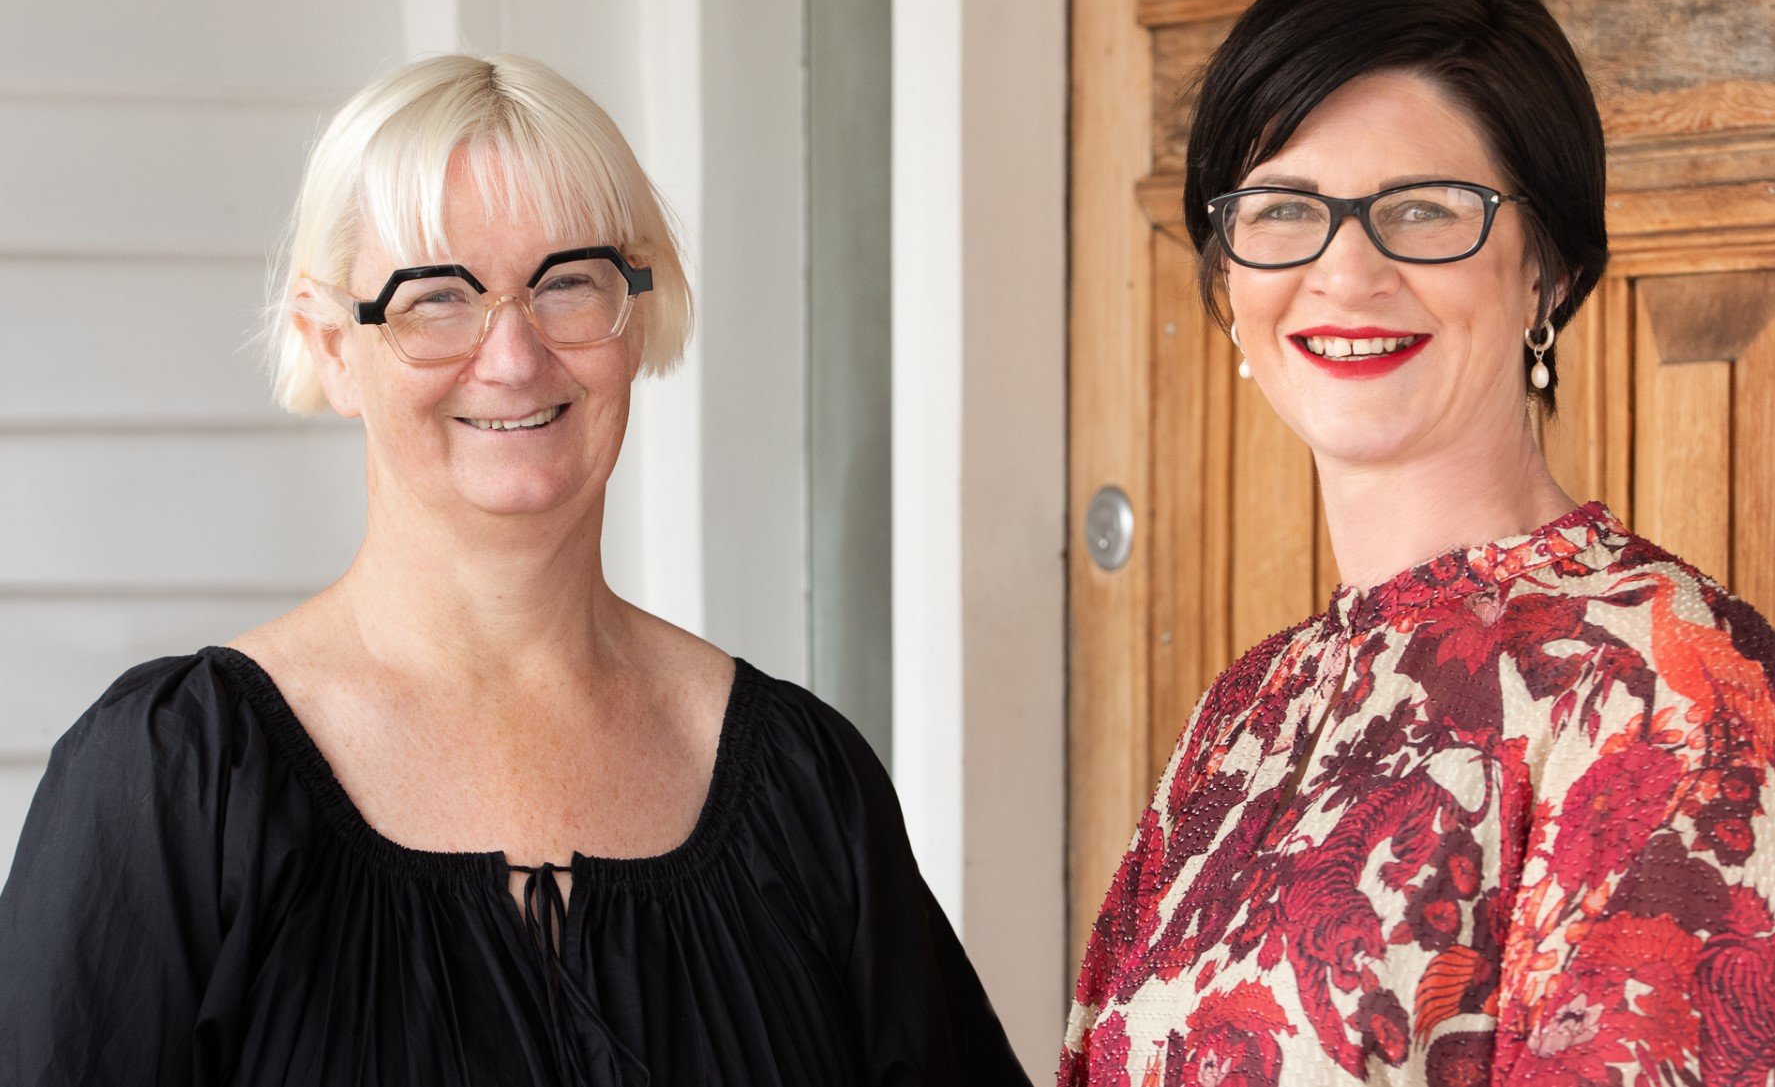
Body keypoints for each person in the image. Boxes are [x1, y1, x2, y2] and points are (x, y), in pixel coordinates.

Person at [0, 53, 1027, 1086]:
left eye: (567, 282)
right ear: (329, 344)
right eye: (436, 297)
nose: (513, 356)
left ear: (637, 311)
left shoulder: (807, 786)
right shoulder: (177, 779)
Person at [1058, 0, 1775, 1085]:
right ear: (1228, 281)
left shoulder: (1666, 689)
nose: (1345, 270)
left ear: (1550, 274)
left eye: (1424, 210)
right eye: (1283, 209)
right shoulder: (1246, 711)